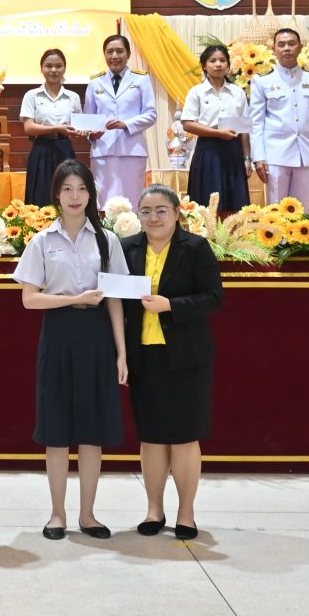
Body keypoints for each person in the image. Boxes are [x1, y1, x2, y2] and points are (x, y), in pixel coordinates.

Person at [14, 161, 128, 540]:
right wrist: (73, 299)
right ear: (56, 195)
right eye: (67, 189)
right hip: (59, 334)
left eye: (81, 188)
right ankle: (57, 514)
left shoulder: (107, 241)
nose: (75, 196)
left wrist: (121, 352)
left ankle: (89, 515)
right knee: (57, 429)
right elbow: (30, 299)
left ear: (91, 193)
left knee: (92, 431)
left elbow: (115, 299)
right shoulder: (42, 241)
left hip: (97, 336)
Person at [121, 184, 225, 540]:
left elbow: (214, 298)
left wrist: (171, 306)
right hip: (143, 355)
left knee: (183, 437)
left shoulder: (195, 248)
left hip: (186, 357)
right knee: (151, 437)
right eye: (146, 211)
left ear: (177, 213)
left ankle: (186, 513)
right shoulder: (127, 248)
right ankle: (154, 509)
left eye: (161, 210)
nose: (153, 217)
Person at [249, 27, 309, 210]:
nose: (286, 48)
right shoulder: (262, 80)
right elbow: (256, 123)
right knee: (276, 209)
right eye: (281, 44)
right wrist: (258, 157)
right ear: (274, 49)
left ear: (300, 47)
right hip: (275, 154)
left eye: (291, 44)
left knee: (304, 209)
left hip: (307, 153)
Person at [83, 34, 157, 207]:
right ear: (104, 55)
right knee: (103, 202)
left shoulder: (141, 79)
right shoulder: (95, 82)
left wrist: (126, 124)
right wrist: (92, 134)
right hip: (102, 151)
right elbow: (88, 119)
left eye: (119, 51)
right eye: (110, 52)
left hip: (132, 150)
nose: (114, 56)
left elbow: (151, 114)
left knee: (132, 201)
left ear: (128, 54)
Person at [179, 44, 251, 216]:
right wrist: (218, 133)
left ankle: (233, 233)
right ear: (204, 66)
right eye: (212, 61)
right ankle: (206, 233)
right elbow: (187, 123)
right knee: (206, 201)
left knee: (235, 202)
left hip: (233, 150)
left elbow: (244, 129)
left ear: (228, 65)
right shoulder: (197, 92)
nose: (218, 64)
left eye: (222, 60)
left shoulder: (238, 92)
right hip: (207, 150)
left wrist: (247, 158)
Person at [20, 47, 84, 206]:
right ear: (41, 69)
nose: (53, 70)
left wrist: (82, 132)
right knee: (40, 196)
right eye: (48, 66)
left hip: (65, 150)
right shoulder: (32, 95)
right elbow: (28, 127)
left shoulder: (73, 97)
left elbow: (78, 126)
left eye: (58, 66)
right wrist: (56, 128)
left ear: (64, 68)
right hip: (41, 150)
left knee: (67, 194)